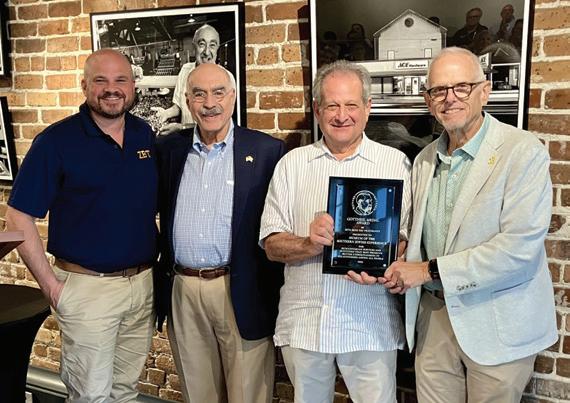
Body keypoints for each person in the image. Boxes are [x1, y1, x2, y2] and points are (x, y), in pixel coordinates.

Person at [349, 47, 557, 403]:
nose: (450, 98)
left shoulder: (522, 152)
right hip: (434, 319)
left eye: (462, 87)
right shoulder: (424, 160)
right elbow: (419, 238)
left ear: (484, 91)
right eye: (438, 90)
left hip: (497, 325)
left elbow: (518, 249)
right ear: (428, 100)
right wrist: (390, 262)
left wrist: (425, 271)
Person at [5, 49, 158, 402]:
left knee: (125, 392)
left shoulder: (143, 134)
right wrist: (51, 288)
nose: (111, 89)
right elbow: (18, 217)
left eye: (120, 80)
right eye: (100, 80)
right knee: (90, 396)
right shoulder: (56, 142)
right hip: (88, 289)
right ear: (85, 85)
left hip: (141, 285)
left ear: (133, 86)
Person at [259, 60, 411, 403]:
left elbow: (405, 238)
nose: (342, 115)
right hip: (305, 321)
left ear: (368, 108)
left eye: (351, 105)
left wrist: (384, 259)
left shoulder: (396, 164)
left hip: (370, 322)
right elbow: (271, 245)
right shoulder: (292, 165)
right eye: (332, 106)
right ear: (317, 110)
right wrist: (309, 243)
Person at [154, 63, 285, 403]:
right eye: (199, 94)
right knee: (198, 394)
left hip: (240, 289)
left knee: (248, 394)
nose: (209, 103)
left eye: (218, 93)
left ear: (233, 97)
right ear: (187, 100)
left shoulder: (267, 151)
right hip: (183, 289)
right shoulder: (169, 150)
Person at [155, 23, 220, 135]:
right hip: (186, 141)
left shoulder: (225, 79)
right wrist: (166, 113)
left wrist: (182, 128)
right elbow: (178, 107)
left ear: (217, 48)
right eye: (202, 44)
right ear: (194, 47)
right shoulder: (185, 70)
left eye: (212, 45)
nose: (206, 52)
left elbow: (217, 125)